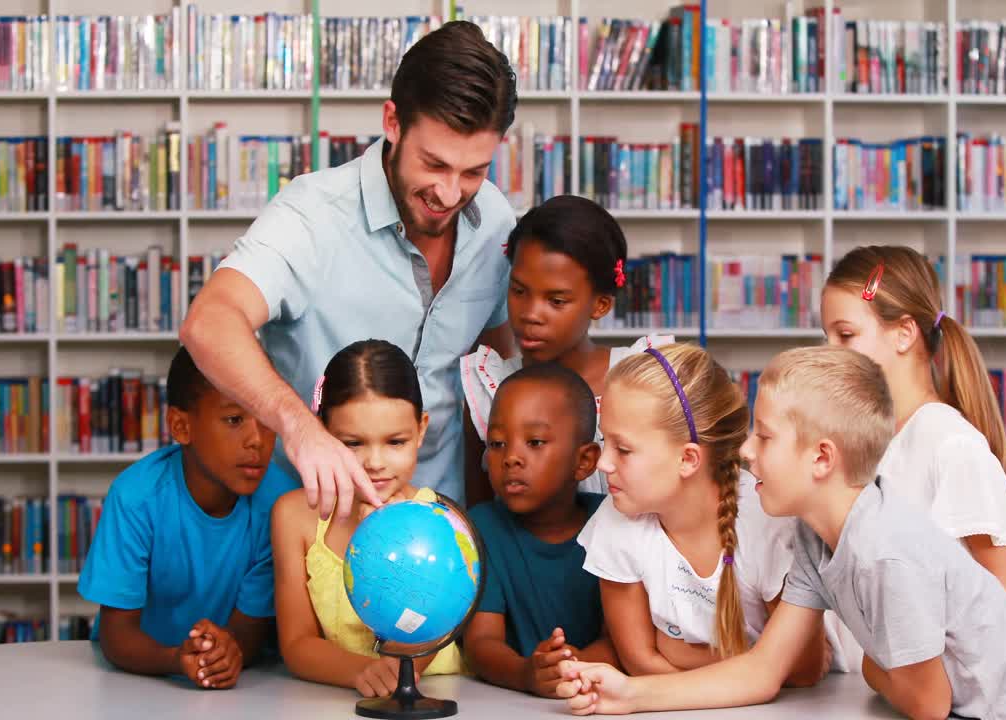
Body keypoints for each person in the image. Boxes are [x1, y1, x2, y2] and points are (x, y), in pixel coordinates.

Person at [556, 346, 1006, 720]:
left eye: (766, 438)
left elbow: (925, 701)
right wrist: (631, 695)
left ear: (821, 458)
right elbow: (760, 671)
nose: (746, 452)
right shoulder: (813, 539)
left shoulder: (885, 551)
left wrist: (876, 666)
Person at [182, 21, 519, 519]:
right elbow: (209, 321)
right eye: (434, 164)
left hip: (441, 533)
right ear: (392, 122)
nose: (450, 194)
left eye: (472, 171)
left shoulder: (494, 219)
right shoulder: (312, 213)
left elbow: (491, 361)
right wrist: (300, 428)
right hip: (315, 529)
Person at [576, 343, 832, 681]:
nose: (604, 463)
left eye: (623, 449)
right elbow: (639, 662)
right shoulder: (616, 517)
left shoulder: (767, 524)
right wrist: (757, 658)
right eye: (604, 441)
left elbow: (804, 668)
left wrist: (676, 651)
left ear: (688, 459)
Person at [821, 245, 1006, 607]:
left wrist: (930, 662)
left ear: (904, 333)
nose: (829, 351)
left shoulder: (950, 443)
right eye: (826, 336)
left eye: (845, 335)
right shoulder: (870, 436)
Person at [78, 346, 298, 689]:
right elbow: (116, 635)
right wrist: (176, 659)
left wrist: (225, 651)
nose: (257, 440)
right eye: (234, 419)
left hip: (243, 690)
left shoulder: (281, 504)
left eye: (268, 420)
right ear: (181, 426)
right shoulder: (135, 497)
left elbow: (251, 629)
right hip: (135, 681)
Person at [270, 340, 464, 698]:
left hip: (439, 695)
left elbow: (431, 632)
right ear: (320, 432)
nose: (375, 462)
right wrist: (366, 673)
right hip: (329, 700)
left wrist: (387, 540)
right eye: (353, 443)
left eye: (395, 442)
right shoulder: (293, 517)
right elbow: (297, 644)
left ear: (421, 430)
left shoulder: (442, 522)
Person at [460, 195, 671, 502]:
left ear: (600, 305)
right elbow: (477, 517)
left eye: (556, 301)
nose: (531, 314)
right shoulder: (487, 392)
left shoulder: (644, 380)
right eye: (519, 291)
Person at [462, 363, 620, 698]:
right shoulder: (482, 527)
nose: (511, 458)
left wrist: (568, 666)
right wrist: (526, 674)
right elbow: (481, 644)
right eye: (497, 443)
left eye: (534, 442)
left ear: (584, 461)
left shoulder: (612, 523)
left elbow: (619, 640)